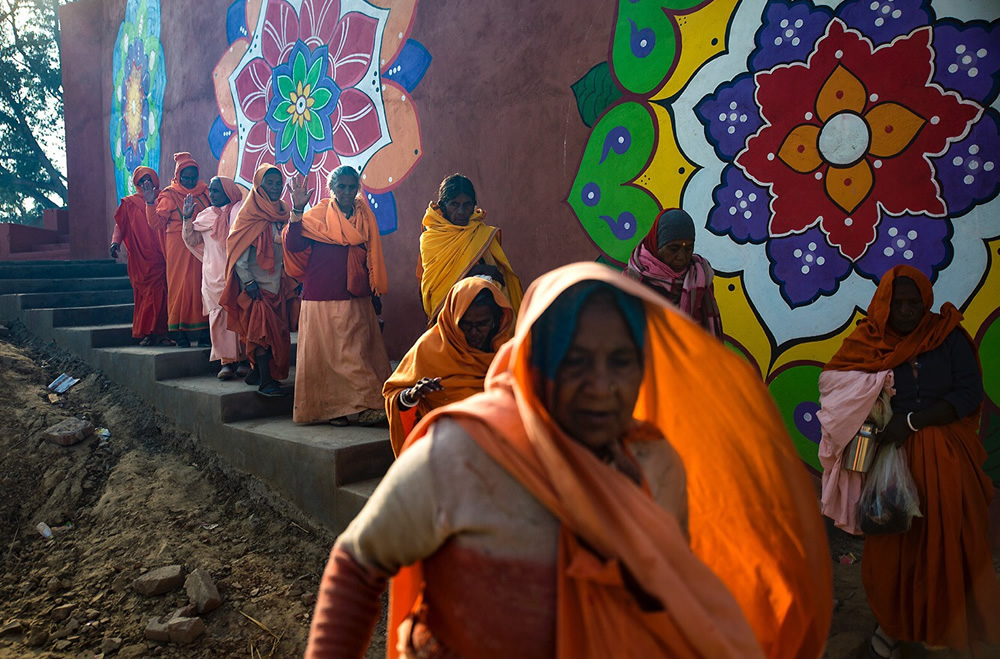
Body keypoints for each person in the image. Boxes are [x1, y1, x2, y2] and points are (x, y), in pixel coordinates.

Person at [306, 262, 832, 659]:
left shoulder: (654, 464)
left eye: (621, 361)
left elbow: (662, 600)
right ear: (537, 360)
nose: (602, 387)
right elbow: (358, 563)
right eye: (576, 360)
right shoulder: (466, 451)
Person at [821, 265, 1000, 658]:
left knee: (949, 547)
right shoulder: (868, 341)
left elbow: (969, 393)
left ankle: (946, 628)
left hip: (948, 462)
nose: (905, 311)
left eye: (913, 302)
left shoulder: (947, 337)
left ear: (925, 302)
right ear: (883, 305)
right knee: (893, 552)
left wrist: (913, 421)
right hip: (890, 463)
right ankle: (893, 626)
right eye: (896, 303)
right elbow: (835, 387)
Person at [284, 166, 390, 426]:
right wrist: (297, 210)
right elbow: (293, 244)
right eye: (340, 187)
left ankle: (366, 404)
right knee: (328, 357)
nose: (346, 192)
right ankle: (334, 410)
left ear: (357, 189)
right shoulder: (318, 214)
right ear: (331, 189)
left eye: (351, 187)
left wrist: (374, 292)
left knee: (355, 353)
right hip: (321, 296)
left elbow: (370, 256)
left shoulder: (364, 216)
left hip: (356, 295)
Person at [383, 275, 514, 454]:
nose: (474, 333)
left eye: (482, 324)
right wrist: (410, 397)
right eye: (465, 325)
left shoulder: (506, 351)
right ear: (452, 319)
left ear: (496, 320)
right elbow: (393, 394)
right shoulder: (428, 347)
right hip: (442, 449)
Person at [221, 164, 295, 398]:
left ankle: (257, 373)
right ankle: (266, 382)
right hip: (257, 288)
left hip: (278, 286)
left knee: (277, 334)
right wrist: (249, 283)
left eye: (277, 183)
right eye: (269, 183)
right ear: (258, 186)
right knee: (261, 333)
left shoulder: (283, 211)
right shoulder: (249, 215)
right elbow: (238, 252)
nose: (275, 187)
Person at [416, 174, 523, 322]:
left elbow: (497, 275)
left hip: (484, 316)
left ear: (474, 205)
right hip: (448, 316)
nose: (461, 212)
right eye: (454, 204)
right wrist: (475, 270)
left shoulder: (481, 233)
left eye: (467, 205)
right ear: (442, 206)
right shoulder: (432, 238)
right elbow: (436, 287)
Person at [181, 176, 248, 379]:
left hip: (240, 274)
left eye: (216, 190)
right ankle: (226, 363)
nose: (212, 194)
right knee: (218, 318)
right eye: (210, 190)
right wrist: (186, 219)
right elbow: (191, 239)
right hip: (213, 276)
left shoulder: (240, 212)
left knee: (243, 316)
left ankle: (245, 359)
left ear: (228, 191)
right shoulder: (204, 216)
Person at [624, 208, 723, 339]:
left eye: (688, 248)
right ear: (656, 245)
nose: (682, 257)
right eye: (673, 249)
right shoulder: (632, 282)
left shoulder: (700, 276)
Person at [145, 152, 210, 347]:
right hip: (177, 247)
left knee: (203, 285)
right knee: (179, 287)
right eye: (185, 177)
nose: (190, 181)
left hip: (202, 247)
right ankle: (179, 333)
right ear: (178, 175)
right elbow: (156, 223)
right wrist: (149, 202)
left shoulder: (206, 192)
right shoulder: (170, 194)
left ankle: (205, 332)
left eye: (193, 177)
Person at [109, 166, 171, 346]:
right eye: (142, 180)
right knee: (144, 297)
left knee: (160, 295)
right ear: (136, 183)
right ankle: (147, 333)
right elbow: (120, 226)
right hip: (139, 258)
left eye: (148, 179)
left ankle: (161, 333)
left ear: (155, 181)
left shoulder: (164, 198)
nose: (146, 183)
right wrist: (115, 243)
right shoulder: (129, 203)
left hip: (161, 256)